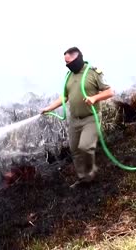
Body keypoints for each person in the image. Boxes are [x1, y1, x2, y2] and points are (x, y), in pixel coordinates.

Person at [41, 47, 115, 188]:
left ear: (78, 58)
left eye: (69, 62)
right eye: (66, 63)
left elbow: (110, 92)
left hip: (91, 118)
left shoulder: (93, 73)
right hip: (75, 120)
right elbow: (64, 97)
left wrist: (94, 98)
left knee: (85, 147)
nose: (67, 65)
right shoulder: (68, 76)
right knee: (75, 150)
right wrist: (49, 108)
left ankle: (90, 175)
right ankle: (83, 179)